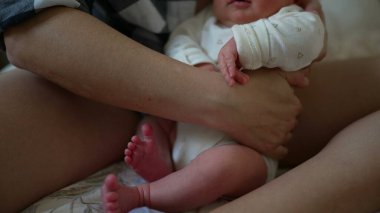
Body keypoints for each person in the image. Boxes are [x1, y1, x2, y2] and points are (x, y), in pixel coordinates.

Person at [0, 0, 379, 212]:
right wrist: (212, 93)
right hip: (96, 75)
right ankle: (158, 180)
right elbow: (28, 31)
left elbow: (300, 37)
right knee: (158, 131)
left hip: (259, 92)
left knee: (230, 162)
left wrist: (296, 23)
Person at [101, 0, 324, 212]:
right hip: (185, 131)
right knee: (150, 123)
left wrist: (246, 43)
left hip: (244, 150)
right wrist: (200, 67)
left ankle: (145, 195)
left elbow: (311, 34)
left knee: (224, 165)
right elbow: (178, 40)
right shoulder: (203, 20)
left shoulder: (288, 18)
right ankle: (164, 161)